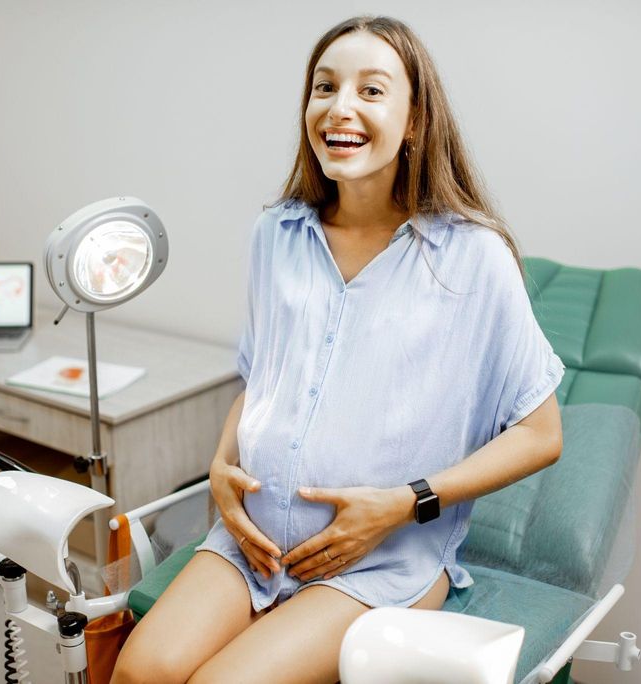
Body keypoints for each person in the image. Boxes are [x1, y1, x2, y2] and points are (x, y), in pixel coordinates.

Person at [111, 14, 565, 684]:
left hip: (382, 558)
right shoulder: (276, 234)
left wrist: (404, 502)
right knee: (135, 673)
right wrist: (219, 467)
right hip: (254, 539)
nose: (339, 106)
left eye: (371, 90)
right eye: (324, 87)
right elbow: (262, 380)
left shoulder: (471, 256)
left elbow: (540, 433)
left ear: (415, 120)